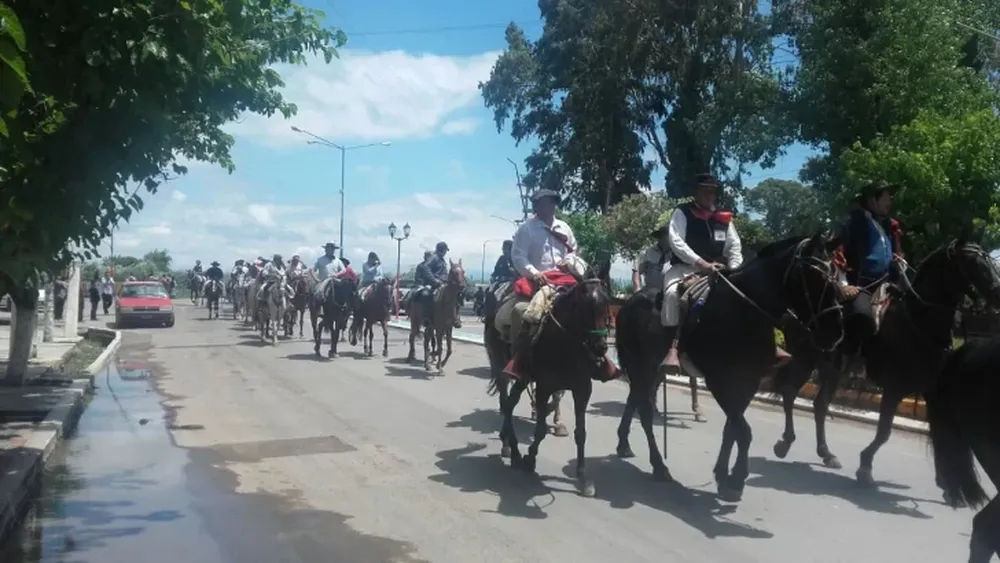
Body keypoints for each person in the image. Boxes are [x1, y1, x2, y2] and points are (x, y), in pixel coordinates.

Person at [657, 173, 763, 376]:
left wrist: (735, 271)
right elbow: (677, 242)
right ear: (696, 192)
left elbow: (734, 247)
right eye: (706, 190)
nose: (710, 195)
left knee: (746, 296)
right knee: (671, 295)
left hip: (719, 271)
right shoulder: (682, 212)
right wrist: (701, 263)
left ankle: (758, 344)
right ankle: (672, 348)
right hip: (685, 269)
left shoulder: (724, 218)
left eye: (713, 191)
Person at [829, 180, 904, 370]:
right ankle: (846, 364)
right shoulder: (855, 222)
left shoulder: (883, 225)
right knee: (863, 316)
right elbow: (837, 249)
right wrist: (844, 284)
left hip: (885, 285)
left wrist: (897, 262)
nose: (891, 201)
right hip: (861, 285)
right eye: (887, 197)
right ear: (872, 200)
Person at [632, 226, 671, 292]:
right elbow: (637, 270)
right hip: (650, 292)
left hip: (669, 291)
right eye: (666, 235)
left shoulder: (676, 254)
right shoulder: (648, 252)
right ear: (660, 237)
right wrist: (637, 287)